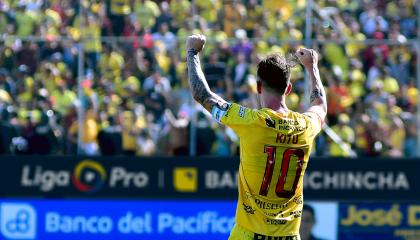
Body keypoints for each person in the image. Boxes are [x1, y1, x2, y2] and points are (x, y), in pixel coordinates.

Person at [186, 34, 327, 239]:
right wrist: (312, 67)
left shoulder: (250, 121)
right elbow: (320, 105)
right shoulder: (306, 126)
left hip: (248, 235)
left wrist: (192, 52)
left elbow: (202, 95)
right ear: (288, 89)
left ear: (258, 87)